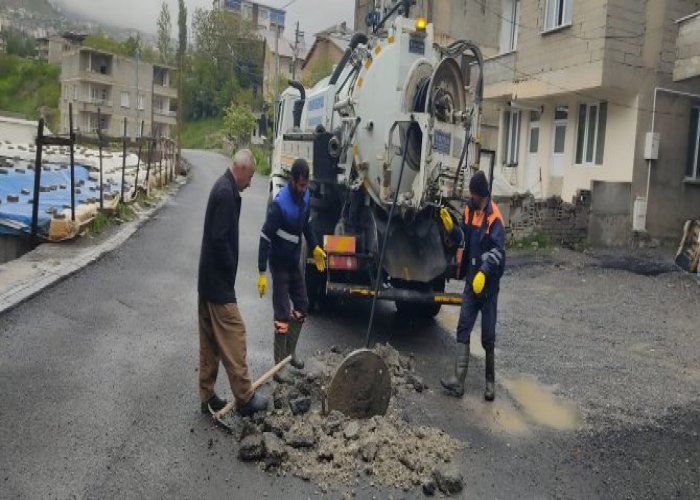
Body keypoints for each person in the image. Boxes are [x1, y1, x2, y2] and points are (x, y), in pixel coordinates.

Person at [197, 149, 268, 416]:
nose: (251, 183)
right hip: (217, 284)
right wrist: (229, 270)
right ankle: (245, 398)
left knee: (210, 342)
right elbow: (218, 240)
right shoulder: (226, 193)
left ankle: (207, 395)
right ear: (241, 170)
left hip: (207, 281)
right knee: (234, 334)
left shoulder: (224, 187)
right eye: (250, 176)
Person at [257, 159, 327, 383]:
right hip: (278, 265)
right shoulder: (280, 205)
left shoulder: (305, 198)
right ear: (292, 181)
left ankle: (289, 355)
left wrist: (315, 245)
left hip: (294, 263)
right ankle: (279, 368)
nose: (303, 189)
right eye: (300, 185)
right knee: (282, 314)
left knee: (302, 306)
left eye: (306, 185)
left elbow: (306, 224)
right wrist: (261, 271)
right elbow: (265, 236)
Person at [439, 170, 506, 401]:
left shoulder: (495, 218)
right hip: (471, 284)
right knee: (463, 328)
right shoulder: (469, 210)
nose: (470, 197)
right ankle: (458, 382)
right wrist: (453, 229)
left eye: (473, 194)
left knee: (488, 336)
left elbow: (498, 253)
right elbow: (463, 239)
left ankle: (490, 383)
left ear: (482, 194)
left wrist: (484, 274)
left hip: (487, 288)